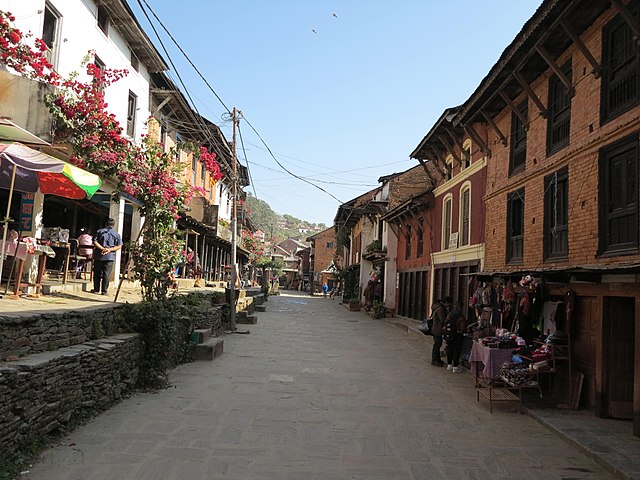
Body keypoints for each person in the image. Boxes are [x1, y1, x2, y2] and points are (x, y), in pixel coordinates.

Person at [92, 218, 123, 296]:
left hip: (99, 255)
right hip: (110, 257)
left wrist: (102, 248)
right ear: (113, 225)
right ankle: (104, 291)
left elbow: (94, 241)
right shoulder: (116, 234)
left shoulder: (99, 231)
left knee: (97, 272)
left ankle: (96, 289)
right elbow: (119, 246)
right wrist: (109, 250)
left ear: (105, 224)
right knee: (106, 274)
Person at [444, 302, 467, 372]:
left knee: (449, 349)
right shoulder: (460, 316)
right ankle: (455, 367)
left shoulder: (450, 314)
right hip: (457, 335)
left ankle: (449, 365)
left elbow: (445, 322)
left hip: (449, 334)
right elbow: (463, 328)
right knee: (457, 351)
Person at [430, 296, 451, 366]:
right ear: (446, 303)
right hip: (438, 329)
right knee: (437, 345)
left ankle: (437, 359)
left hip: (435, 328)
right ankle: (435, 360)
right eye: (448, 304)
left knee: (437, 344)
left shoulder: (437, 307)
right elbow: (442, 320)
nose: (448, 306)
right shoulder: (441, 309)